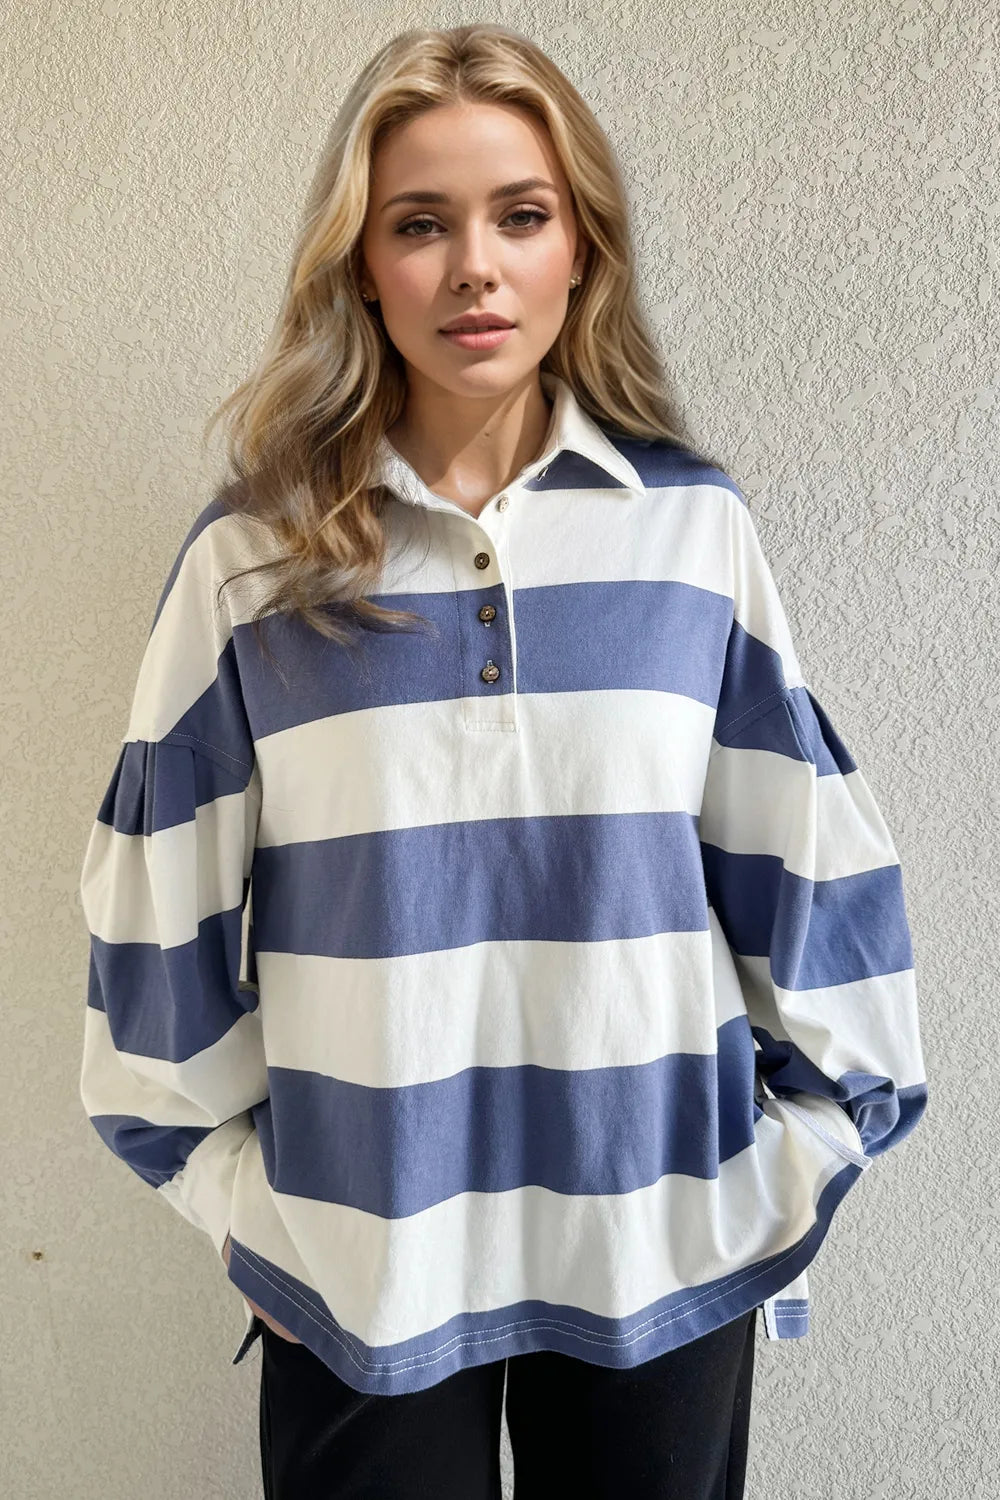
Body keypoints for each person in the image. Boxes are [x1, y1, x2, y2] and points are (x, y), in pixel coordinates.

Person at [77, 23, 929, 1500]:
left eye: (520, 216)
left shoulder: (690, 530)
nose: (474, 268)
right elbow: (156, 916)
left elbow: (804, 862)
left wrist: (806, 1153)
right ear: (361, 264)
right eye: (421, 224)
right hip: (363, 1266)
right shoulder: (253, 561)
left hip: (666, 1248)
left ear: (580, 248)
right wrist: (237, 1205)